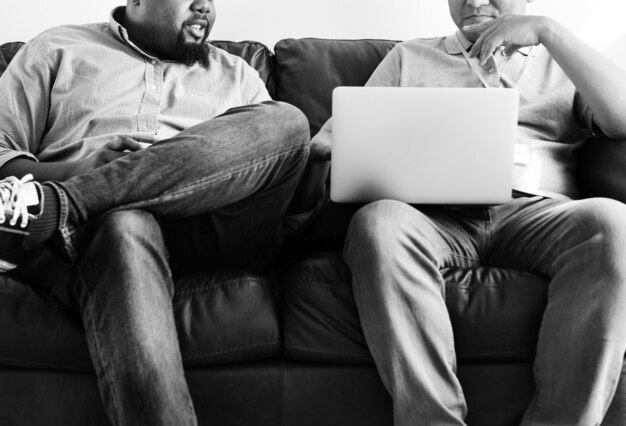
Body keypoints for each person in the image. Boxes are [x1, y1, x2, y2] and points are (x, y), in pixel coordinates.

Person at [0, 0, 321, 425]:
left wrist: (321, 158)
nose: (204, 5)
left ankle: (66, 202)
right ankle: (86, 201)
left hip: (214, 228)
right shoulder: (56, 49)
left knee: (287, 122)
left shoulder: (239, 75)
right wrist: (79, 167)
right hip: (96, 238)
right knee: (123, 224)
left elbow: (273, 163)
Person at [309, 0, 626, 425]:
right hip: (431, 217)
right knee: (379, 223)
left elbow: (622, 119)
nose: (475, 1)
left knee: (615, 224)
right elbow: (328, 142)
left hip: (534, 212)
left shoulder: (562, 60)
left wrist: (548, 31)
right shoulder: (409, 57)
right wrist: (370, 151)